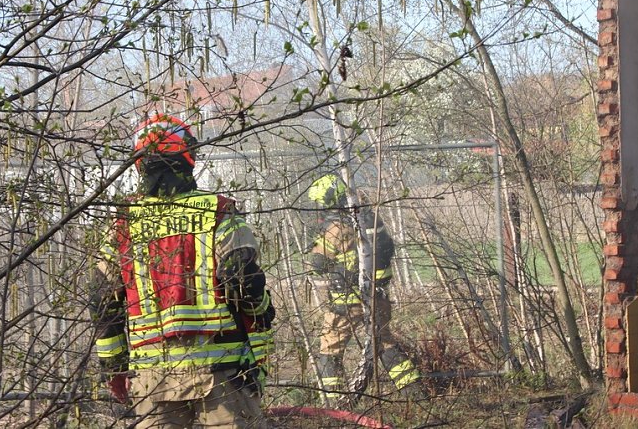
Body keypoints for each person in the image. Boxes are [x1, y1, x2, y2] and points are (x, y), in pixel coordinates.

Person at [89, 113, 274, 428]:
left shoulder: (124, 223)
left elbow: (102, 300)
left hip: (151, 378)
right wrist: (263, 315)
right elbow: (243, 280)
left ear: (140, 163)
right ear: (188, 155)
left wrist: (114, 367)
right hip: (222, 372)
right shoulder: (217, 211)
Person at [306, 174, 422, 401]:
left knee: (330, 348)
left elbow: (318, 264)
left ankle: (334, 402)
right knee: (383, 342)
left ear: (329, 201)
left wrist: (316, 248)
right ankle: (415, 394)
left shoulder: (337, 227)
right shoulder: (369, 218)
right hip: (376, 296)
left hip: (345, 302)